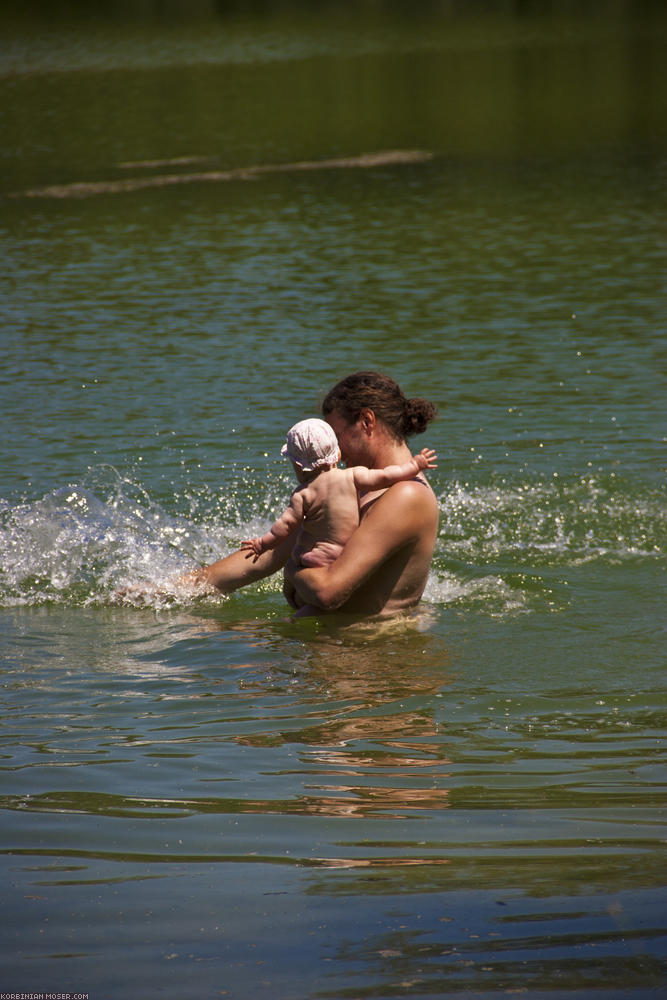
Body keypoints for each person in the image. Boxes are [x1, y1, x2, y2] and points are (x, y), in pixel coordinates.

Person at [184, 372, 439, 618]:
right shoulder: (350, 485)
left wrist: (294, 569)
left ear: (366, 421)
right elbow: (269, 555)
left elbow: (327, 592)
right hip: (335, 644)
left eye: (335, 437)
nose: (333, 451)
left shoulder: (405, 495)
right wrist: (175, 589)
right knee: (213, 633)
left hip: (368, 651)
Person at [240, 416, 437, 577]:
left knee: (295, 562)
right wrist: (415, 466)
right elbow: (386, 476)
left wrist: (262, 543)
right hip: (343, 556)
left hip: (315, 558)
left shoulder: (303, 494)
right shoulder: (352, 476)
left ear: (299, 466)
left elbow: (283, 527)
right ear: (337, 455)